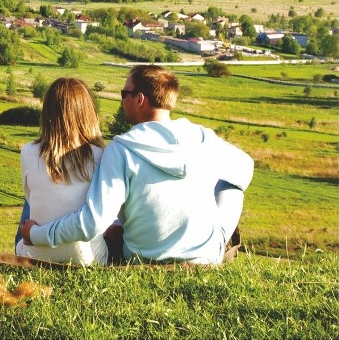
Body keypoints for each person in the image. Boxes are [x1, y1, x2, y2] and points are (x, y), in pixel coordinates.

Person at [20, 65, 254, 265]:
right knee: (230, 185)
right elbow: (245, 168)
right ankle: (213, 242)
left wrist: (37, 234)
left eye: (124, 94)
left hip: (140, 257)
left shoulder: (121, 150)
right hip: (205, 255)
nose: (121, 101)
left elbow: (92, 223)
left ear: (139, 99)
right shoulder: (202, 138)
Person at [14, 77, 109, 265]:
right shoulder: (101, 155)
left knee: (30, 202)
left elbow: (29, 195)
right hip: (86, 258)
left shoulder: (28, 151)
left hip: (33, 254)